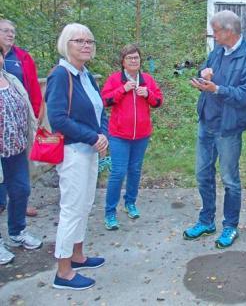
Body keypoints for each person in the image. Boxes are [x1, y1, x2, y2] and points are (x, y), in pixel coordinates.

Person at [183, 10, 246, 249]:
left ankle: (230, 226)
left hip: (228, 127)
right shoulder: (217, 52)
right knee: (202, 174)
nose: (213, 35)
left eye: (216, 31)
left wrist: (217, 89)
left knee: (229, 179)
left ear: (229, 31)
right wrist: (202, 76)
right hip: (206, 123)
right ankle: (206, 220)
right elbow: (205, 75)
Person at [46, 23, 108, 290]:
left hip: (90, 148)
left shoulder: (86, 75)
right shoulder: (61, 75)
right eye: (79, 41)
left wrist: (102, 134)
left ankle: (78, 256)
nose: (85, 45)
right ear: (66, 44)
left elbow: (99, 110)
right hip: (73, 151)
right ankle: (63, 271)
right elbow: (58, 118)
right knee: (72, 208)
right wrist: (92, 136)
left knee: (85, 204)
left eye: (89, 41)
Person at [102, 44, 163, 230]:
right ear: (123, 62)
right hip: (119, 135)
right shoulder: (114, 80)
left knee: (135, 170)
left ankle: (130, 203)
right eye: (130, 58)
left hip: (142, 135)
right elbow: (104, 101)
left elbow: (159, 101)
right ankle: (110, 212)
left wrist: (148, 94)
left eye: (136, 57)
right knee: (118, 172)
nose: (134, 61)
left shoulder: (147, 80)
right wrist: (122, 90)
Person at [0, 48, 42, 265]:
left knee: (21, 190)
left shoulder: (12, 80)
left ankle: (17, 232)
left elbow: (26, 108)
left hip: (16, 148)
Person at [0, 19, 42, 217]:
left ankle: (19, 207)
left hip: (18, 129)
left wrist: (35, 115)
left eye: (13, 31)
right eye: (6, 31)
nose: (11, 34)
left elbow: (33, 88)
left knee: (20, 175)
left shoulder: (22, 57)